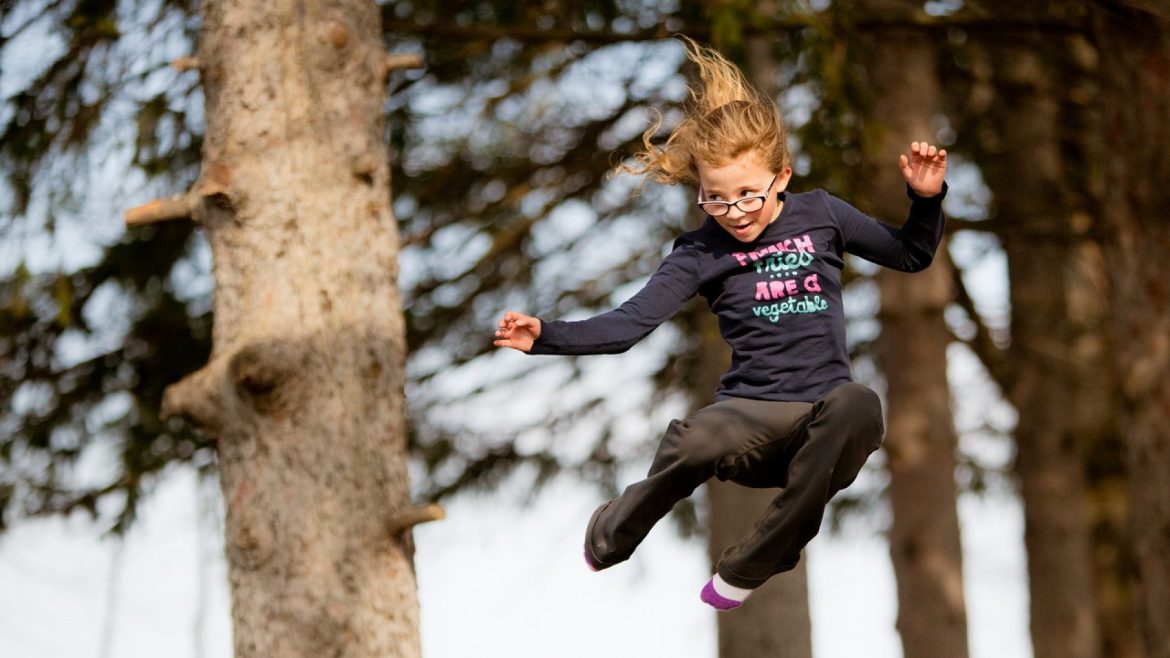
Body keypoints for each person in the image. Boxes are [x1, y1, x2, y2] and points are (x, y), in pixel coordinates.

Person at [493, 36, 948, 611]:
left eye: (747, 196)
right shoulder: (700, 251)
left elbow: (911, 254)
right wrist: (547, 336)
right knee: (697, 436)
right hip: (749, 421)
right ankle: (612, 532)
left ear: (782, 177)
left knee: (860, 404)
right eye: (715, 199)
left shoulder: (823, 215)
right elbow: (629, 325)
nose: (733, 214)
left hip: (822, 423)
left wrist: (924, 200)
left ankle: (751, 564)